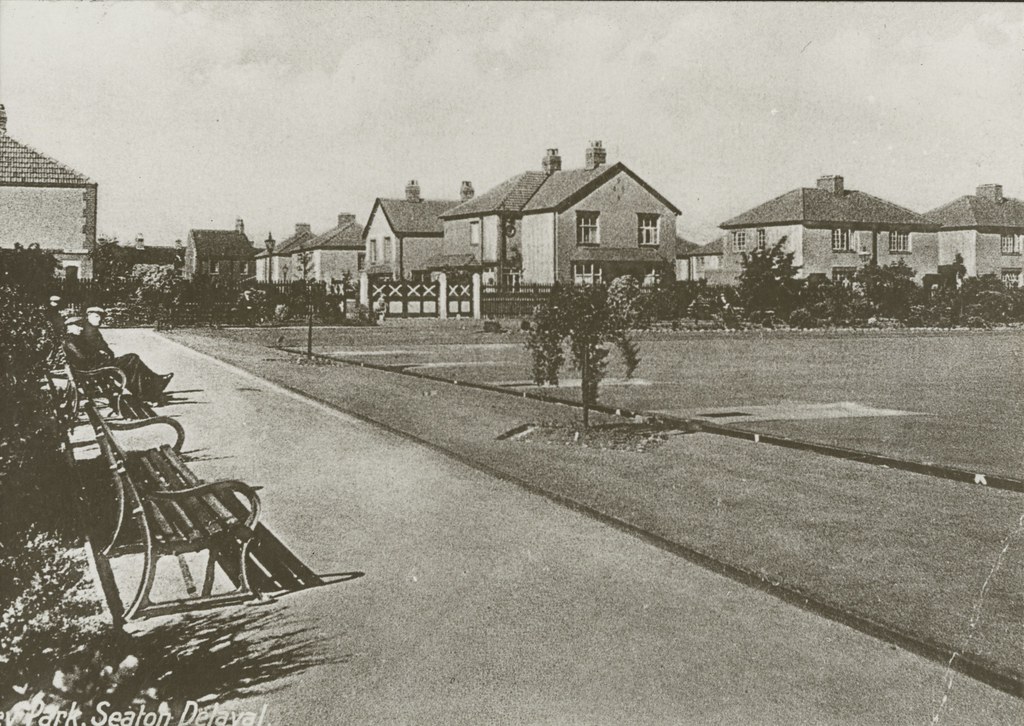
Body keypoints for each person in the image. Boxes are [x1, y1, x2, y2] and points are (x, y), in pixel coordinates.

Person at [63, 314, 173, 402]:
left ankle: (148, 389)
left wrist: (99, 354)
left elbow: (85, 356)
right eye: (78, 326)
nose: (81, 328)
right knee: (132, 359)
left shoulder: (74, 339)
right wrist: (99, 355)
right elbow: (83, 358)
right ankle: (148, 389)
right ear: (69, 327)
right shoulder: (70, 341)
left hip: (96, 366)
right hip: (95, 369)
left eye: (81, 325)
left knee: (132, 361)